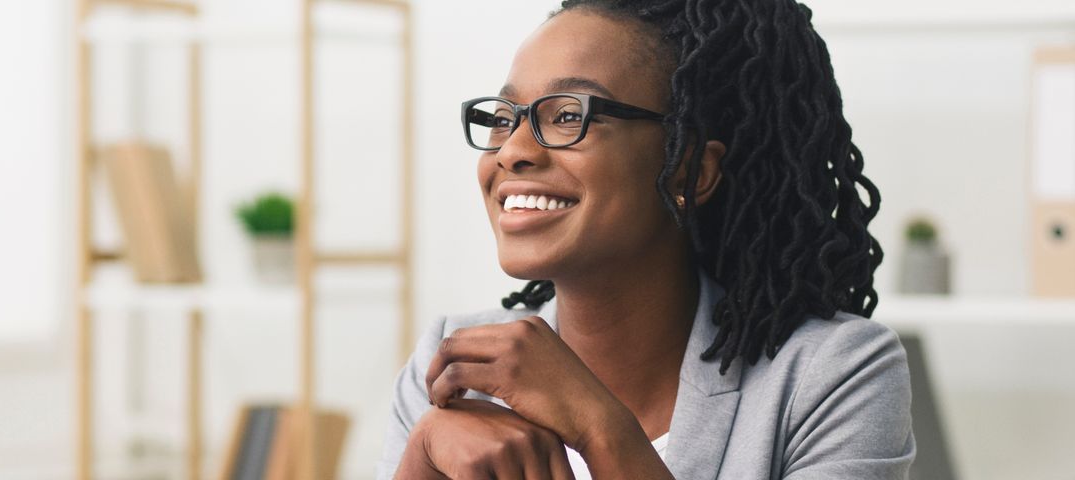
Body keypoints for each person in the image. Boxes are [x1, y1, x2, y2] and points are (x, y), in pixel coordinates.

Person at [375, 0, 915, 478]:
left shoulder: (833, 375)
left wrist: (599, 426)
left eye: (568, 116)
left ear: (689, 170)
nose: (512, 150)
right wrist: (422, 455)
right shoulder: (451, 363)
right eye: (503, 117)